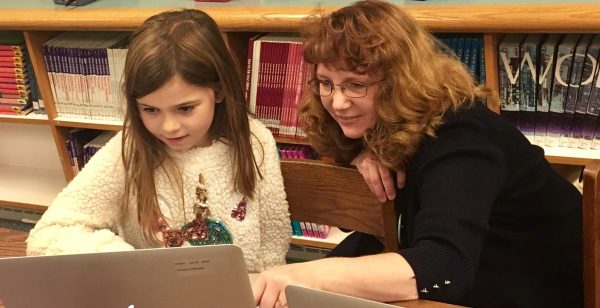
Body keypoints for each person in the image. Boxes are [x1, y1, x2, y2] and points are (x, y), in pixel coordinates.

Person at [253, 0, 583, 307]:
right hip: (463, 261)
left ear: (399, 82)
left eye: (355, 85)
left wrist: (305, 275)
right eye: (325, 83)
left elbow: (443, 267)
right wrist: (366, 151)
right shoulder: (380, 121)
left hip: (531, 284)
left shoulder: (463, 139)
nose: (337, 102)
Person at [26, 9, 291, 272]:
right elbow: (48, 235)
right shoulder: (128, 149)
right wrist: (128, 262)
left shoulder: (256, 141)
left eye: (185, 108)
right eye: (150, 110)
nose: (168, 127)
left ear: (218, 90)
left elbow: (272, 244)